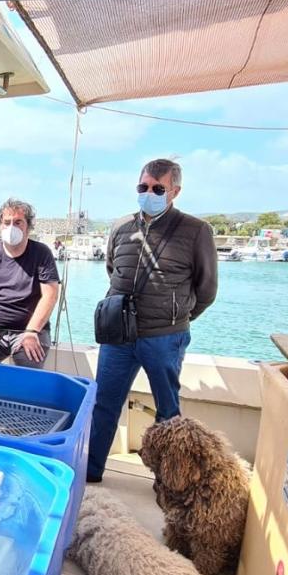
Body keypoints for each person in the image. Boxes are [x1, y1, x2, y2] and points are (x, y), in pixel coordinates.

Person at [87, 158, 218, 483]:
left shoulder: (196, 231)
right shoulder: (121, 227)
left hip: (164, 337)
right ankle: (91, 473)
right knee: (104, 404)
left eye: (157, 188)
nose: (149, 193)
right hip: (119, 334)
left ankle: (169, 482)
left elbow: (207, 289)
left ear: (175, 191)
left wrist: (176, 319)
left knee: (168, 412)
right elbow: (113, 269)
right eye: (143, 187)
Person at [0, 198, 61, 368]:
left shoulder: (41, 253)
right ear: (0, 226)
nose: (12, 227)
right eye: (7, 222)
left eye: (18, 222)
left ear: (28, 227)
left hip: (30, 332)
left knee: (28, 380)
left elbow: (50, 295)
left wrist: (32, 332)